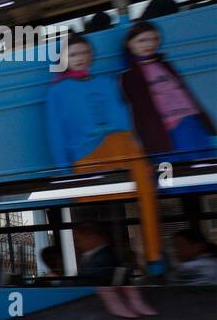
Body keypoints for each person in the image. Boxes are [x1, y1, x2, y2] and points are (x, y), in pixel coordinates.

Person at [46, 32, 164, 272]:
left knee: (147, 187)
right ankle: (115, 265)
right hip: (87, 152)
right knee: (98, 206)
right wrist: (64, 172)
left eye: (84, 53)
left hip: (122, 144)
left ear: (92, 56)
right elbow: (55, 132)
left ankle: (153, 257)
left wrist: (139, 148)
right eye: (73, 54)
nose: (80, 58)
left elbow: (125, 117)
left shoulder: (107, 82)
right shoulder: (57, 91)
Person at [120, 21, 216, 157]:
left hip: (191, 120)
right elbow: (138, 109)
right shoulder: (129, 75)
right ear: (129, 44)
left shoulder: (165, 64)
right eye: (142, 40)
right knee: (172, 172)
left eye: (154, 39)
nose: (150, 44)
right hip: (164, 129)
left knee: (205, 166)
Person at [73, 222, 157, 318]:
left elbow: (87, 280)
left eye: (79, 240)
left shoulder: (104, 256)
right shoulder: (90, 255)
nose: (77, 244)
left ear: (92, 237)